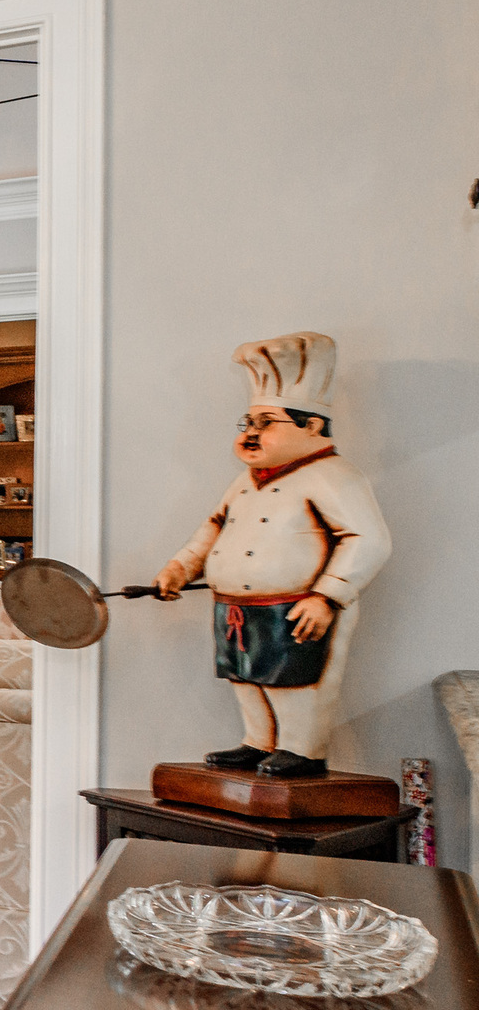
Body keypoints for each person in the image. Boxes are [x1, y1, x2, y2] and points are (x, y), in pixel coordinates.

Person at [151, 332, 390, 780]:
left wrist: (327, 597)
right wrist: (181, 567)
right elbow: (213, 529)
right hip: (235, 607)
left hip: (297, 606)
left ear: (312, 426)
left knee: (296, 683)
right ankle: (257, 741)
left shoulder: (334, 476)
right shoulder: (244, 481)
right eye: (248, 423)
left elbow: (368, 539)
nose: (252, 433)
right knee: (245, 678)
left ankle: (302, 749)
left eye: (266, 422)